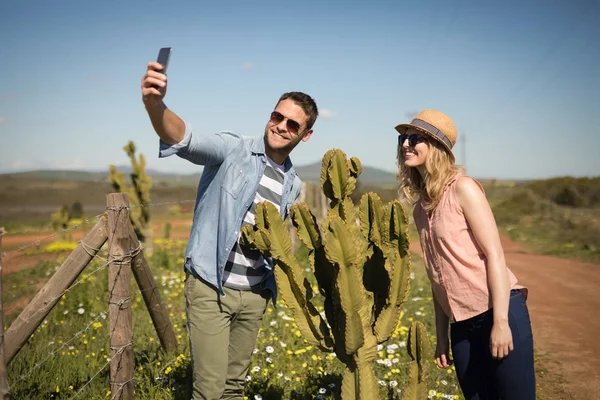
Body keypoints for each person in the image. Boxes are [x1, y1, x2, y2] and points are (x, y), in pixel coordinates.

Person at [141, 60, 318, 399]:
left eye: (292, 124)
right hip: (212, 288)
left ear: (305, 135)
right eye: (276, 116)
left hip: (254, 295)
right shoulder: (234, 150)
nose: (280, 126)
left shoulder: (292, 185)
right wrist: (155, 103)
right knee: (209, 390)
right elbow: (185, 139)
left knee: (234, 388)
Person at [395, 110, 536, 399]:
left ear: (437, 147)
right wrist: (442, 337)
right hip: (460, 325)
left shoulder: (464, 189)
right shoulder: (420, 209)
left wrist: (500, 323)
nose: (406, 144)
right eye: (403, 138)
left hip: (496, 311)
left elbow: (495, 255)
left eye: (415, 138)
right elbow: (437, 278)